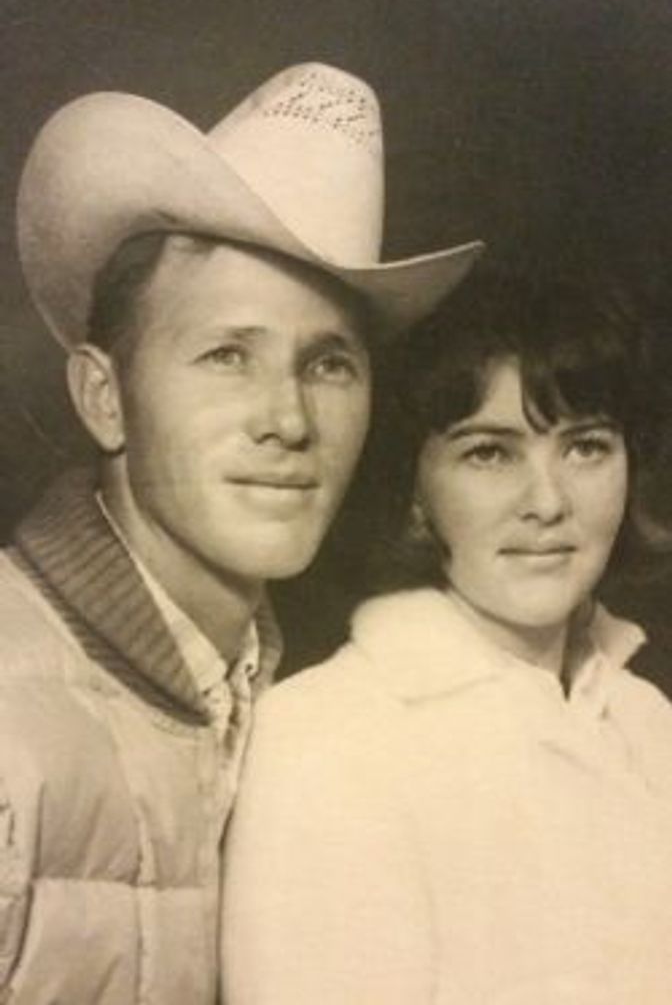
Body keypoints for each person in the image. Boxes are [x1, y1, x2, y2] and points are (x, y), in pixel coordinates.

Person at [0, 62, 482, 1005]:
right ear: (105, 397)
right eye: (228, 355)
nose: (290, 421)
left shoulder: (286, 702)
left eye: (329, 364)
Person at [222, 271, 672, 1005]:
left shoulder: (647, 722)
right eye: (489, 453)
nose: (548, 502)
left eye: (586, 447)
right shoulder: (329, 735)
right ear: (415, 492)